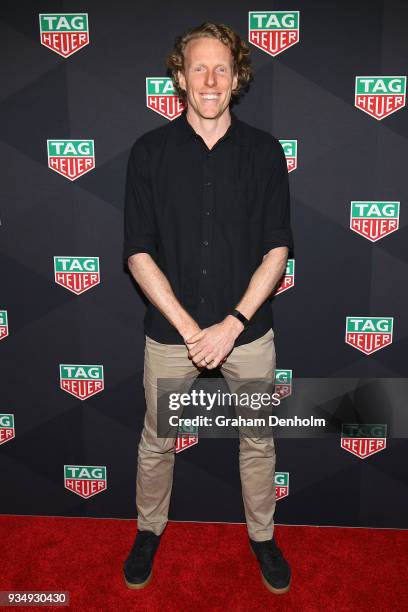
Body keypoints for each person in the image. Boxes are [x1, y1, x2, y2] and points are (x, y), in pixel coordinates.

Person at [122, 22, 294, 594]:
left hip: (247, 331)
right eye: (199, 67)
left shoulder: (266, 152)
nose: (211, 79)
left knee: (259, 439)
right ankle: (149, 530)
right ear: (180, 76)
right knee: (157, 439)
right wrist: (193, 329)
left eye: (222, 67)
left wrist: (232, 324)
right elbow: (138, 252)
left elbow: (277, 249)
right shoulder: (149, 152)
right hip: (173, 332)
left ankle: (263, 537)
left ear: (238, 76)